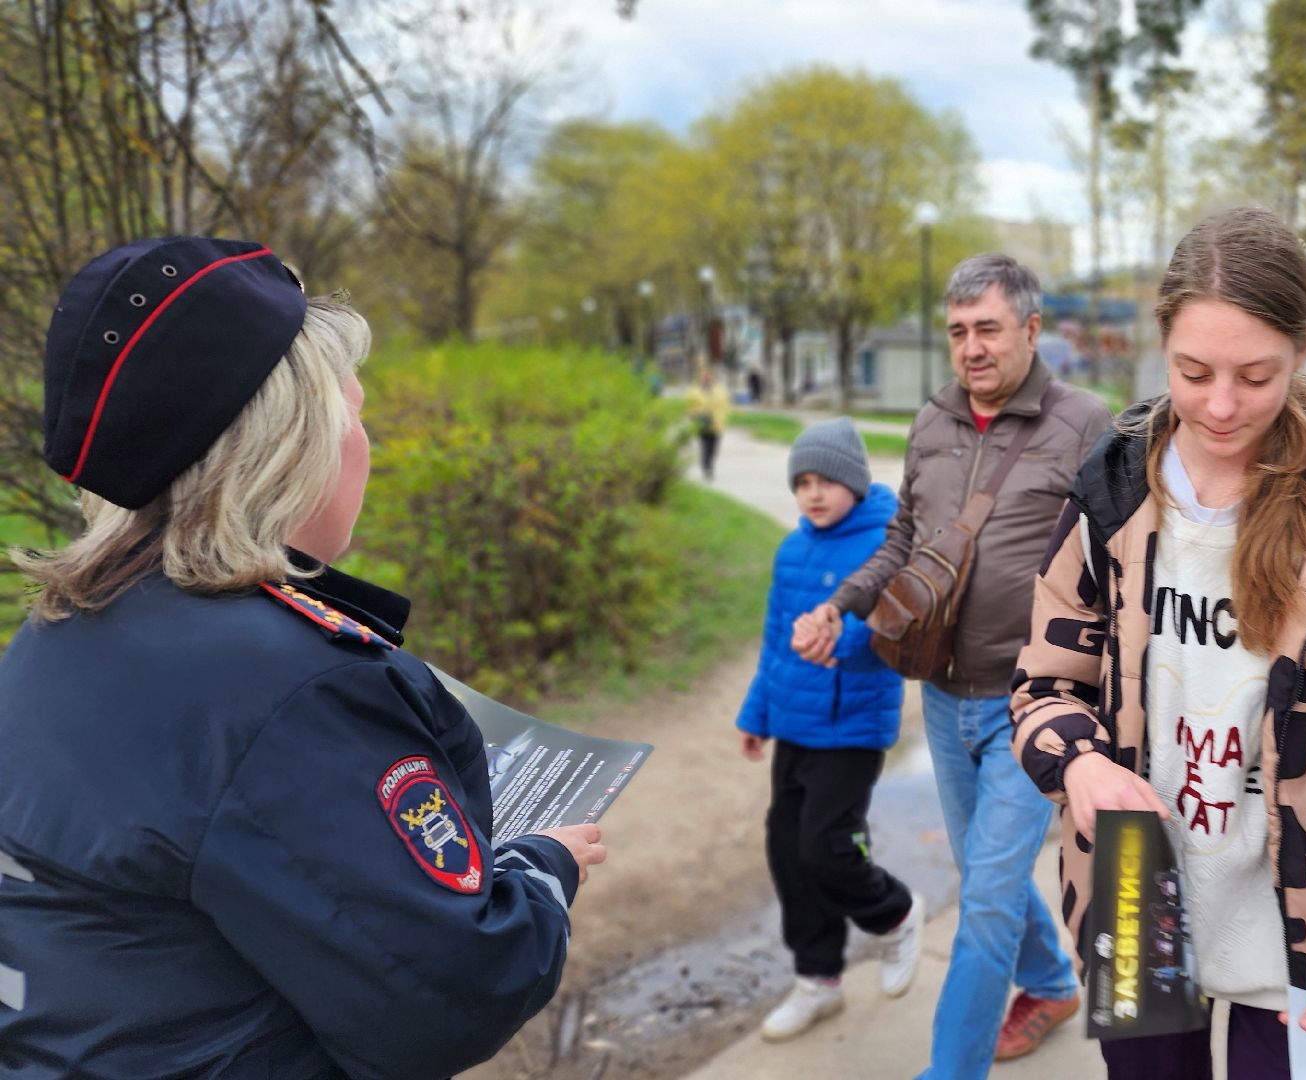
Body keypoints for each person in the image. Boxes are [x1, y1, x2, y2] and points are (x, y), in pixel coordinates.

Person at [0, 237, 607, 1079]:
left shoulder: (57, 634)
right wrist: (542, 868)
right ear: (293, 446)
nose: (369, 445)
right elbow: (451, 996)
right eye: (355, 415)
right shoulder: (291, 689)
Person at [1009, 207, 1306, 1079]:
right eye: (1194, 371)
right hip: (1135, 900)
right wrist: (1078, 765)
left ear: (1304, 348)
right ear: (1161, 345)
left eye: (1256, 376)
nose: (1221, 406)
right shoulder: (1108, 502)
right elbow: (1042, 687)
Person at [792, 254, 1113, 1078]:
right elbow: (904, 537)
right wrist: (844, 604)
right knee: (983, 873)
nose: (971, 349)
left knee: (989, 902)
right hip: (943, 696)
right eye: (958, 332)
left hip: (1033, 702)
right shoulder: (931, 421)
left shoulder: (1086, 424)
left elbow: (1123, 563)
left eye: (989, 330)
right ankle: (1048, 982)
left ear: (1032, 331)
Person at [736, 418, 925, 1041]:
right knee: (787, 851)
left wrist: (840, 638)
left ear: (856, 482)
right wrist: (756, 715)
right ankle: (817, 979)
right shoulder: (793, 549)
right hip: (794, 724)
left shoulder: (884, 541)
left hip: (851, 726)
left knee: (827, 847)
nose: (814, 494)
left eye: (827, 481)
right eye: (803, 482)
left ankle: (894, 913)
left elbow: (895, 632)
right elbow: (773, 644)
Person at [687, 365, 730, 481]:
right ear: (700, 377)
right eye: (704, 376)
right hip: (702, 423)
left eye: (708, 375)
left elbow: (725, 404)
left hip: (716, 423)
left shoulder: (719, 390)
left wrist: (723, 417)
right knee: (705, 446)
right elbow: (690, 406)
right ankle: (706, 466)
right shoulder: (695, 391)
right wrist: (695, 415)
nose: (706, 378)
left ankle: (708, 463)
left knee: (714, 447)